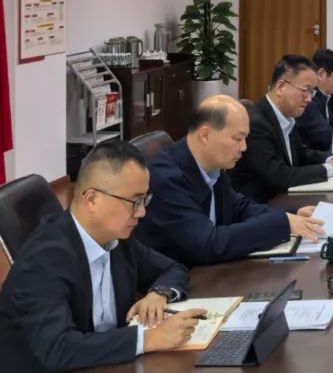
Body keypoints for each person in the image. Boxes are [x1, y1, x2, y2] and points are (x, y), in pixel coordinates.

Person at [0, 142, 203, 372]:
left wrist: (159, 293)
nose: (141, 212)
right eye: (134, 202)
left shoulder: (117, 239)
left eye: (145, 200)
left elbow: (172, 268)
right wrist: (149, 338)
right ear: (92, 199)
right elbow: (58, 348)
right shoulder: (43, 260)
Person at [135, 95, 327, 266]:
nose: (244, 147)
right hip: (176, 282)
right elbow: (207, 244)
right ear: (205, 135)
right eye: (238, 139)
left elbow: (238, 208)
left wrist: (291, 215)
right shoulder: (167, 178)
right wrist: (280, 224)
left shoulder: (212, 165)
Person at [230, 55, 333, 202]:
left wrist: (331, 159)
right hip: (261, 205)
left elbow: (300, 153)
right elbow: (278, 175)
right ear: (281, 87)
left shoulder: (286, 116)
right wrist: (330, 169)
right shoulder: (256, 124)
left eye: (312, 91)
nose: (309, 98)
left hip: (283, 198)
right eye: (305, 90)